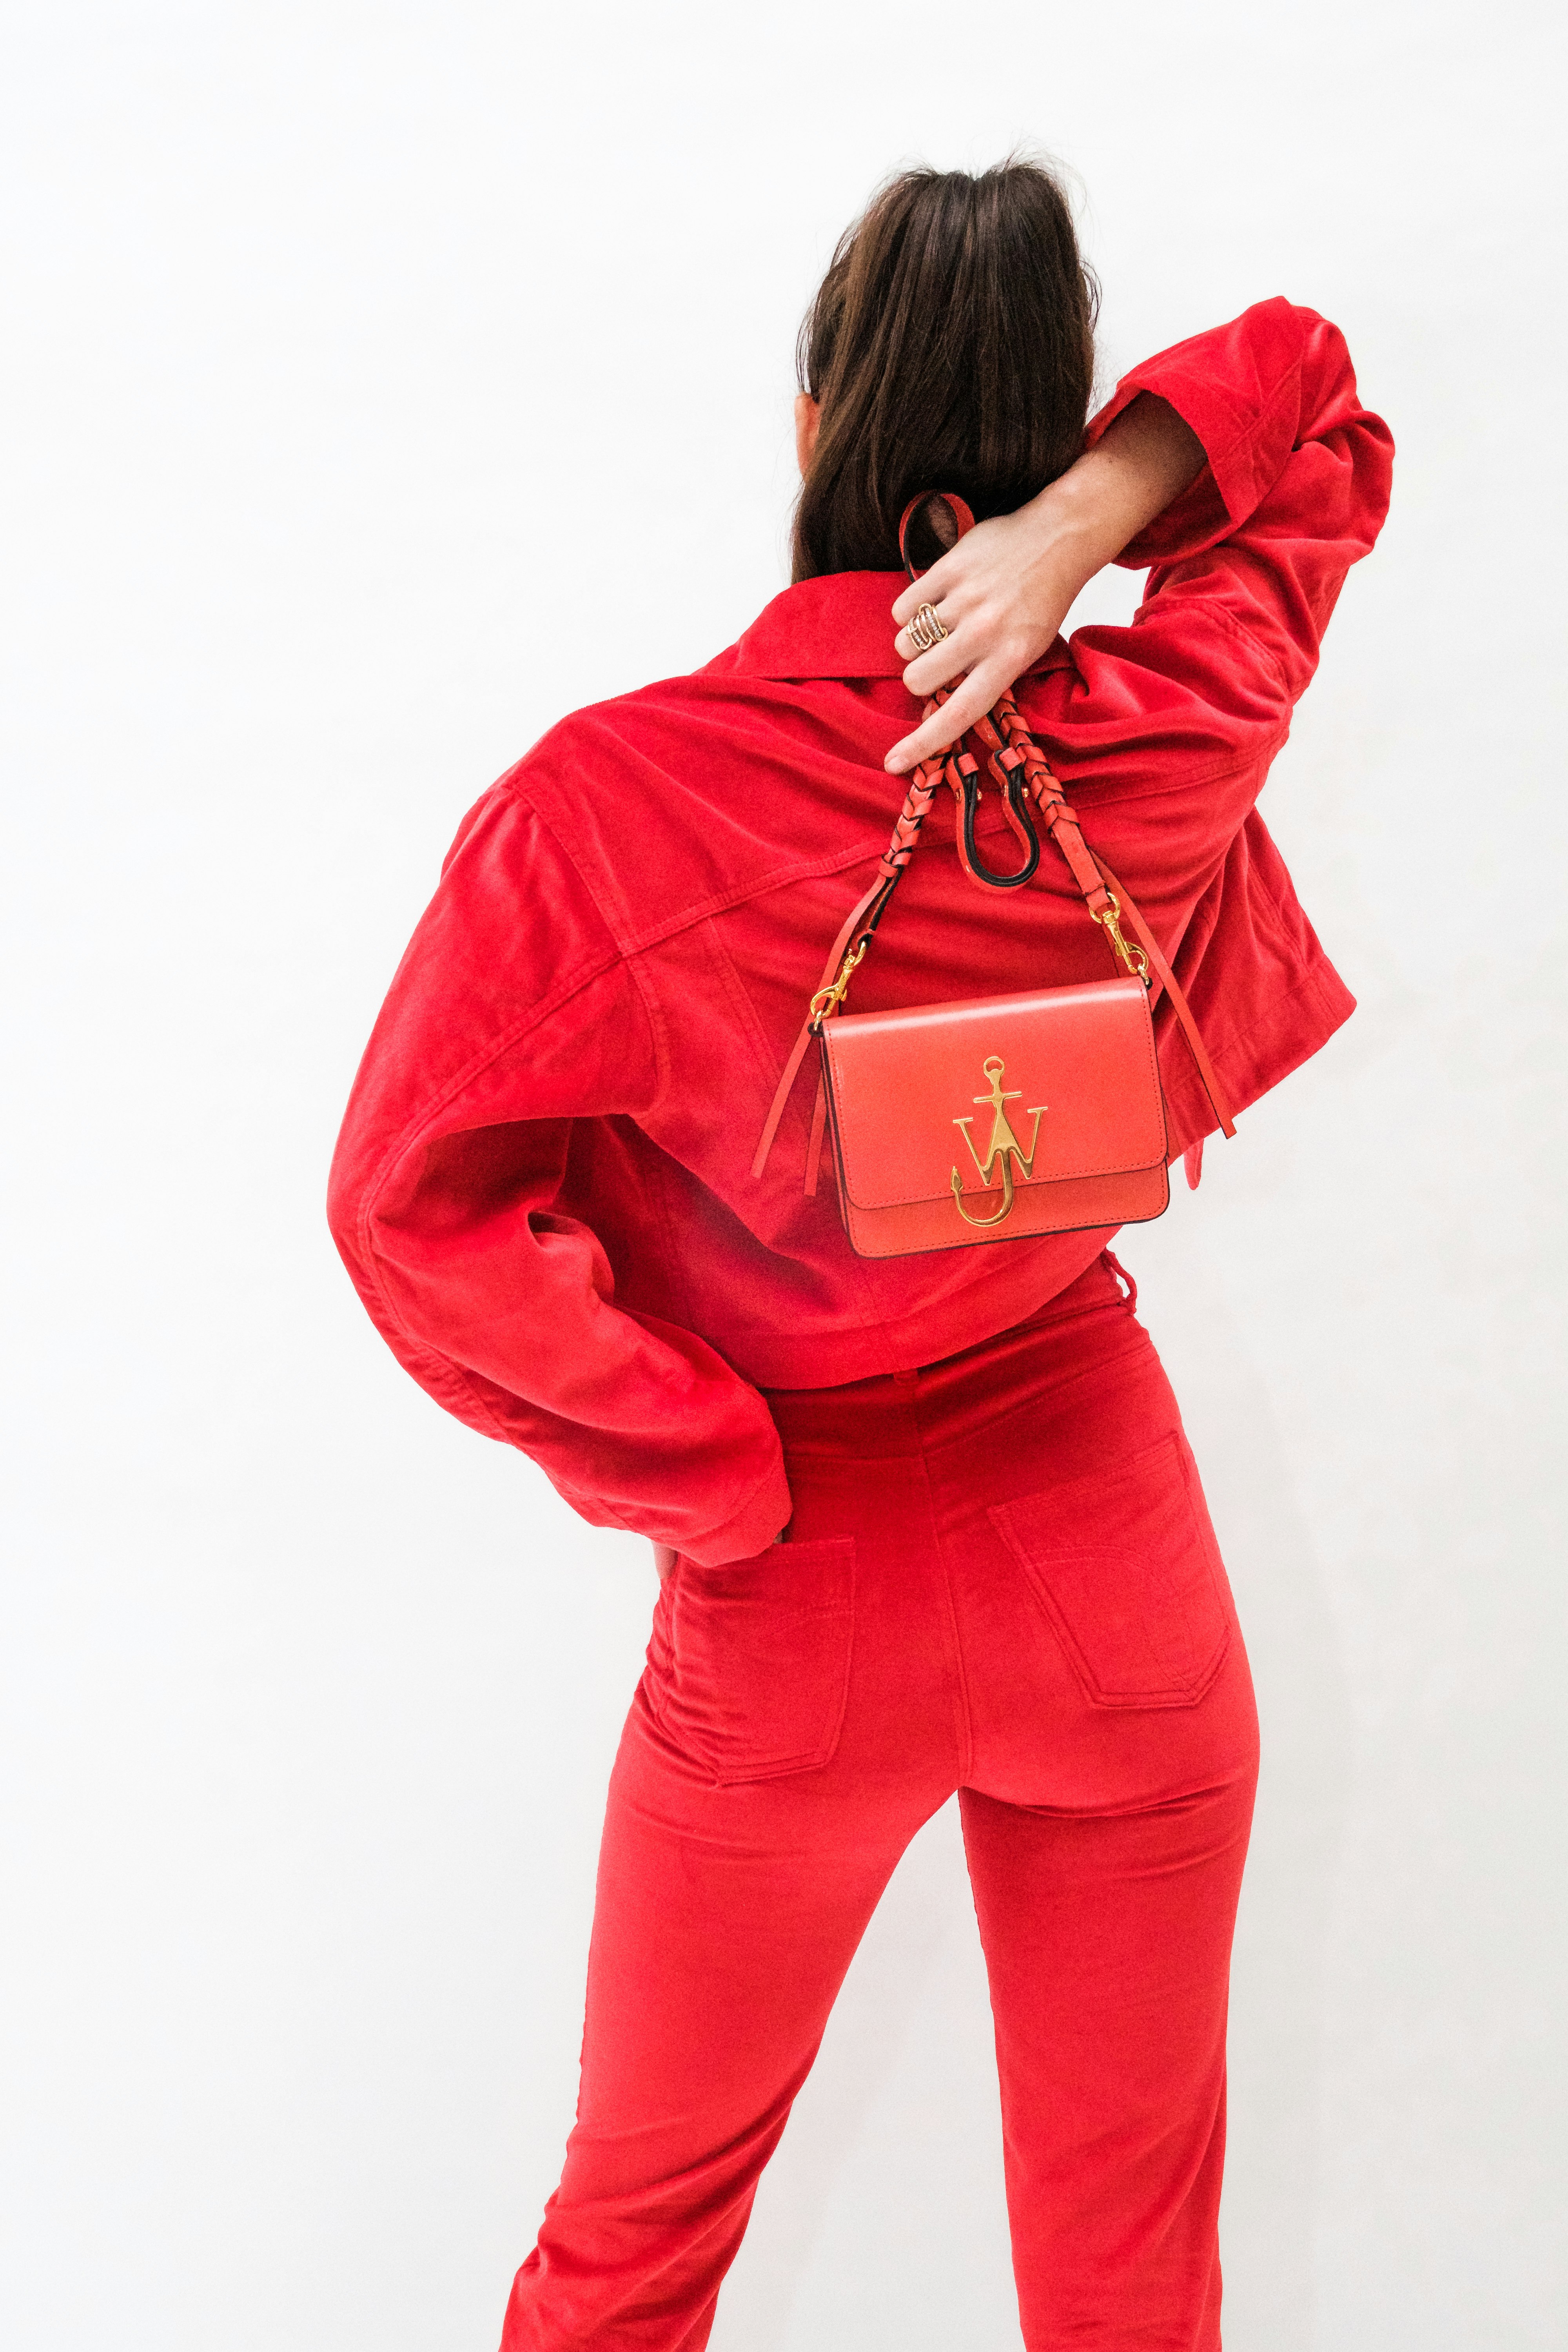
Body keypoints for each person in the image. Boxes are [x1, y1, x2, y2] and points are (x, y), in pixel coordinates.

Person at [327, 160, 1391, 2351]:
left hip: (787, 1607)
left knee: (629, 2251)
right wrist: (1099, 528)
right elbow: (1321, 415)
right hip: (1113, 1564)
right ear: (1041, 453)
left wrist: (693, 1458)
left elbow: (405, 1205)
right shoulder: (1156, 735)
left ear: (815, 420)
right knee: (1129, 2273)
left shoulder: (614, 804)